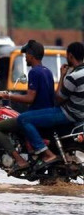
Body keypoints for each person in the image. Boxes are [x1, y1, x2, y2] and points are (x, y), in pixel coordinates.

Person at [0, 39, 55, 174]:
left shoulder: (34, 72)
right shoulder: (47, 71)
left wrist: (7, 95)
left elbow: (30, 98)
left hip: (35, 117)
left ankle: (19, 160)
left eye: (26, 55)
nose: (25, 57)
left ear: (31, 55)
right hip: (45, 115)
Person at [17, 41, 84, 171]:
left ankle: (46, 154)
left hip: (67, 114)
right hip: (80, 116)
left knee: (23, 119)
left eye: (66, 56)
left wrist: (63, 75)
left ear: (70, 56)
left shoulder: (73, 77)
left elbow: (58, 99)